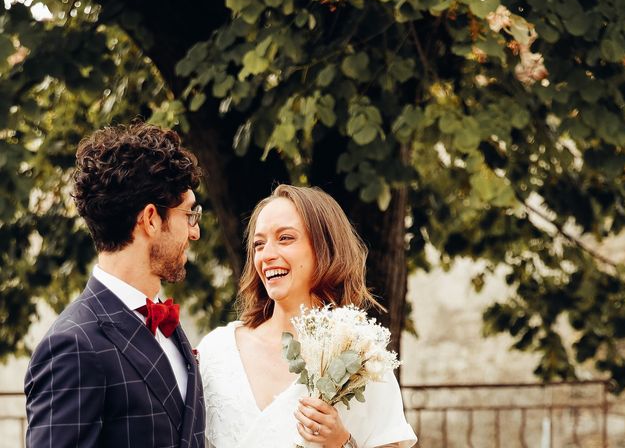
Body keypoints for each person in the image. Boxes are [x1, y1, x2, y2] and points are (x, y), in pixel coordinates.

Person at [24, 122, 206, 447]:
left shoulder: (167, 327)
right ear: (151, 219)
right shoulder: (73, 346)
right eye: (189, 215)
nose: (194, 232)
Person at [198, 184, 416, 448]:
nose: (267, 255)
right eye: (258, 244)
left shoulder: (361, 356)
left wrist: (340, 442)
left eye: (285, 238)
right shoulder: (217, 351)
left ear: (324, 248)